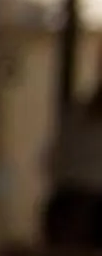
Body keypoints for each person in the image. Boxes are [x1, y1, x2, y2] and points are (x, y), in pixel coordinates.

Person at [45, 92, 102, 246]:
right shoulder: (76, 116)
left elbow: (51, 161)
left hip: (68, 199)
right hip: (80, 200)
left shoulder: (75, 115)